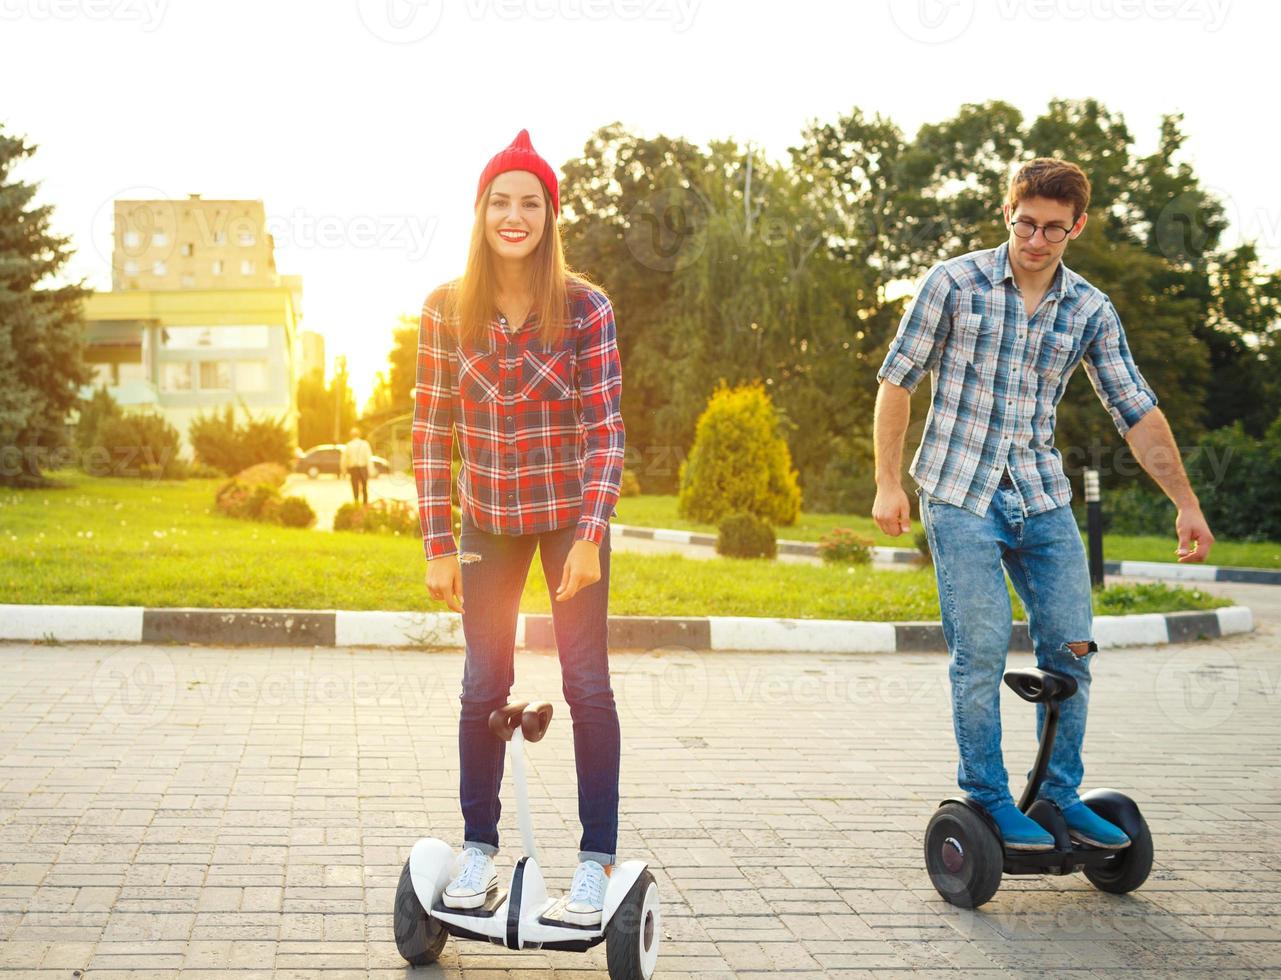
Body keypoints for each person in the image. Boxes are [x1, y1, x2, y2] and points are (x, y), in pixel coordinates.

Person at [872, 158, 1215, 852]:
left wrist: (1185, 501)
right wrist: (886, 483)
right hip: (958, 489)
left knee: (1073, 648)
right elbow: (897, 382)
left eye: (1053, 230)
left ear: (1076, 227)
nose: (1035, 240)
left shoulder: (1088, 307)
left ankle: (1057, 795)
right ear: (1008, 213)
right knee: (981, 651)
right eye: (1025, 223)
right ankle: (989, 798)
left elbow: (1135, 408)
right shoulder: (953, 283)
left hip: (1038, 493)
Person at [411, 129, 625, 925]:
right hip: (487, 523)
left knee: (586, 685)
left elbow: (606, 428)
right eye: (500, 201)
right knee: (481, 684)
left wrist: (592, 533)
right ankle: (477, 848)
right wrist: (437, 542)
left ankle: (595, 861)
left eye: (528, 202)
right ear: (480, 211)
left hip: (569, 518)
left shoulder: (586, 307)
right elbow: (431, 429)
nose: (513, 215)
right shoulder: (444, 309)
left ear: (548, 215)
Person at [341, 427, 372, 505]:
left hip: (353, 469)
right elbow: (369, 458)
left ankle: (356, 503)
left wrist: (343, 471)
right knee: (364, 487)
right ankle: (365, 504)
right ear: (359, 435)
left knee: (355, 487)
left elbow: (344, 459)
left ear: (351, 435)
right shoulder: (365, 444)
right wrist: (371, 470)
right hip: (363, 468)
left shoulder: (349, 445)